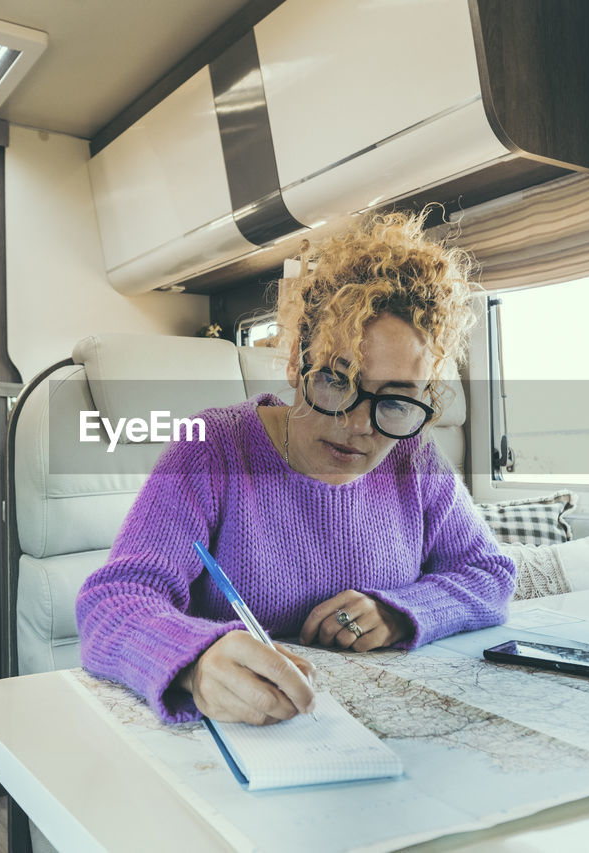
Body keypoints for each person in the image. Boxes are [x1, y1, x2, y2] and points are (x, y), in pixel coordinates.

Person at [76, 211, 515, 726]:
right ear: (294, 363)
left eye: (395, 401)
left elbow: (491, 574)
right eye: (335, 380)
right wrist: (195, 662)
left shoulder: (413, 457)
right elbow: (112, 601)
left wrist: (400, 611)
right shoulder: (212, 449)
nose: (358, 425)